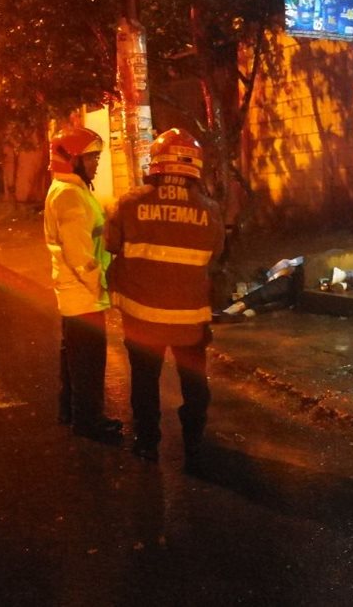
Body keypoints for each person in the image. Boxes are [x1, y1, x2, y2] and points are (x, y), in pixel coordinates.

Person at [106, 128, 225, 464]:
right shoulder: (210, 210)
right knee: (194, 382)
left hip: (142, 319)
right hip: (190, 321)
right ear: (195, 167)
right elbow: (215, 254)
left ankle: (147, 443)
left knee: (145, 382)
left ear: (155, 163)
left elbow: (111, 244)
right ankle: (194, 443)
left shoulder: (129, 203)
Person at [45, 127, 122, 443]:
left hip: (73, 293)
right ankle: (89, 422)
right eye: (91, 158)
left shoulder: (66, 189)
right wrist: (101, 288)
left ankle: (71, 412)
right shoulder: (71, 197)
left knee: (74, 358)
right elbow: (81, 256)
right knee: (88, 363)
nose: (97, 164)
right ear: (73, 160)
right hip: (84, 295)